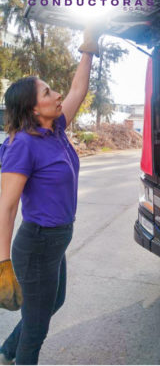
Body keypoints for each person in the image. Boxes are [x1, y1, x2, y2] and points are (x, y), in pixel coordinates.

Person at [0, 28, 99, 365]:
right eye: (47, 91)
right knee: (37, 328)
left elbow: (78, 89)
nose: (57, 94)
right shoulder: (22, 145)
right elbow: (8, 205)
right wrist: (3, 262)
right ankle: (19, 356)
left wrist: (88, 46)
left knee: (53, 302)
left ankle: (7, 352)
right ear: (32, 108)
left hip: (55, 241)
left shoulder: (54, 128)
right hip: (38, 244)